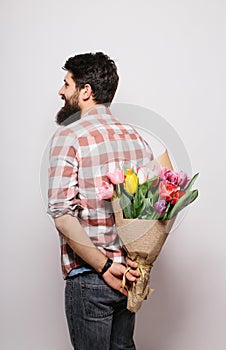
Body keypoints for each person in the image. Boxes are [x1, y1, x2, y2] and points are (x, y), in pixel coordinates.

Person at [47, 52, 154, 350]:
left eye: (66, 83)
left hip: (93, 276)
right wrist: (136, 265)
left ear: (85, 91)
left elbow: (62, 214)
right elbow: (150, 211)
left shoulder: (69, 136)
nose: (60, 91)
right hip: (128, 278)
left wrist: (105, 268)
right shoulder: (136, 139)